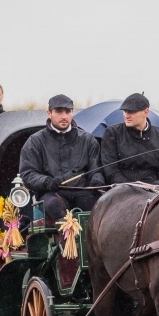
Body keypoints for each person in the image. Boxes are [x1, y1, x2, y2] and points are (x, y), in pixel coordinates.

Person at [19, 94, 104, 222]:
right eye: (59, 111)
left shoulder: (88, 139)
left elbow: (96, 168)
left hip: (83, 191)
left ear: (72, 112)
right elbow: (27, 173)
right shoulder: (35, 141)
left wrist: (97, 181)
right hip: (51, 194)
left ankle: (89, 240)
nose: (64, 116)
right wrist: (47, 182)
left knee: (98, 206)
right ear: (49, 113)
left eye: (68, 111)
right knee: (55, 206)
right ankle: (66, 240)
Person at [100, 93, 159, 187]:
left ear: (146, 112)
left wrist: (150, 188)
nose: (127, 116)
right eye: (125, 111)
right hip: (120, 191)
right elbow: (110, 171)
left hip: (154, 193)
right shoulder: (112, 133)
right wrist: (131, 187)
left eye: (132, 112)